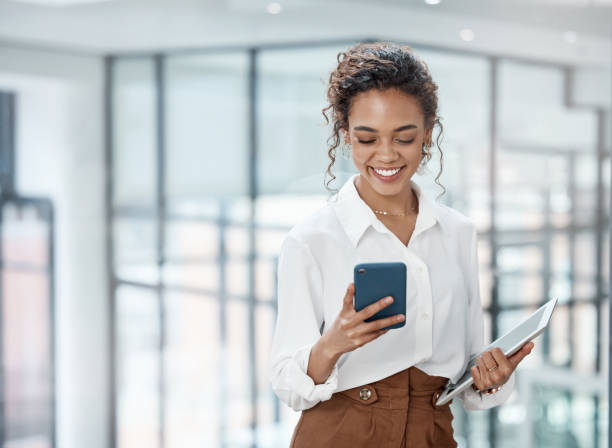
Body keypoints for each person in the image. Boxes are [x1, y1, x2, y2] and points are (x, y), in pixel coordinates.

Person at [268, 41, 534, 448]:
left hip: (433, 431)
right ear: (345, 137)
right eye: (367, 138)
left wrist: (491, 377)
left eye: (404, 138)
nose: (386, 155)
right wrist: (333, 344)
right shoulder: (311, 241)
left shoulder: (458, 233)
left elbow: (467, 368)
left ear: (427, 134)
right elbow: (287, 383)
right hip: (340, 432)